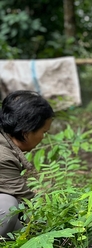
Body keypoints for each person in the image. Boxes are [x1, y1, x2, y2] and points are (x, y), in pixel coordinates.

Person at [0, 90, 54, 236]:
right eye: (44, 132)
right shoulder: (3, 157)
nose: (43, 137)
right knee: (7, 205)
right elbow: (26, 201)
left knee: (19, 230)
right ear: (26, 131)